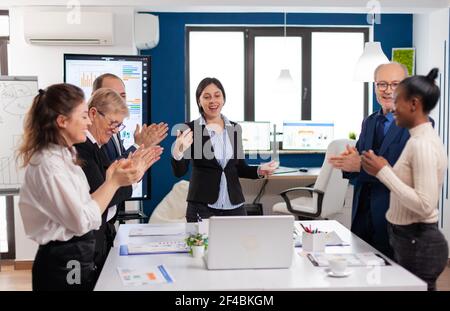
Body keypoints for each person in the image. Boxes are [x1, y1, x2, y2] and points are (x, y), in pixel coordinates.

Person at [17, 84, 142, 291]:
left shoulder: (65, 157)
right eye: (84, 116)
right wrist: (112, 183)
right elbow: (82, 220)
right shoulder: (50, 165)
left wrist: (112, 180)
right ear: (62, 121)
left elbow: (88, 205)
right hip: (63, 262)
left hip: (76, 254)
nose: (88, 122)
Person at [361, 68, 448, 291]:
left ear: (414, 104)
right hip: (406, 237)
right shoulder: (418, 139)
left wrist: (383, 171)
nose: (392, 107)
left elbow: (424, 204)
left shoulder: (422, 144)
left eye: (397, 99)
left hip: (417, 242)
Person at [74, 88, 163, 273]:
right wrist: (134, 176)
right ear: (93, 113)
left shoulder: (96, 147)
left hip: (98, 238)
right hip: (82, 246)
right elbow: (102, 197)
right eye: (112, 123)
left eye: (118, 126)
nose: (114, 130)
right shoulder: (82, 148)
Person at [329, 62, 409, 257]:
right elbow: (357, 159)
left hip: (395, 220)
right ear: (375, 87)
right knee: (364, 278)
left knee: (395, 282)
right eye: (382, 84)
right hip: (363, 217)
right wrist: (347, 163)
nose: (388, 90)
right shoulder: (369, 121)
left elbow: (405, 173)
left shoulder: (417, 123)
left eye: (395, 84)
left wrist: (360, 166)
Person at [171, 77, 278, 222]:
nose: (213, 101)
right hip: (202, 207)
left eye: (217, 95)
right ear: (199, 101)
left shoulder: (234, 128)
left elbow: (239, 168)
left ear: (223, 99)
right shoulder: (190, 129)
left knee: (239, 244)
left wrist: (260, 170)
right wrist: (178, 151)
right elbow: (179, 172)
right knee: (201, 245)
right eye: (206, 97)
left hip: (234, 206)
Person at [92, 73, 168, 160]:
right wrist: (138, 146)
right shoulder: (93, 131)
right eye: (113, 96)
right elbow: (107, 170)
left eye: (123, 96)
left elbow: (119, 159)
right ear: (95, 97)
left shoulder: (115, 125)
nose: (120, 101)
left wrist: (142, 148)